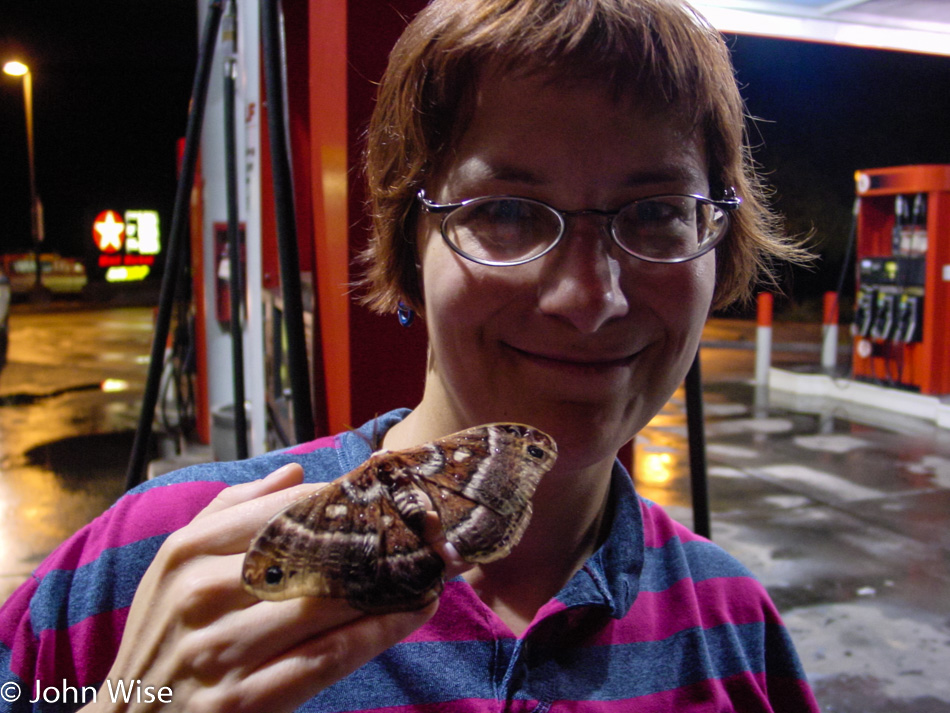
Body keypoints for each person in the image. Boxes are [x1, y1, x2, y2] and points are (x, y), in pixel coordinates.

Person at [0, 0, 820, 711]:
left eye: (656, 212)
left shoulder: (736, 628)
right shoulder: (159, 563)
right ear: (408, 241)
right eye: (505, 211)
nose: (588, 297)